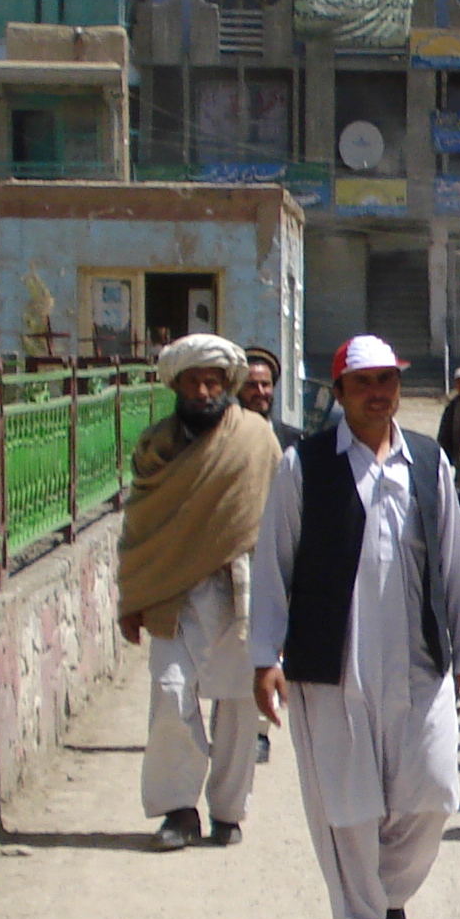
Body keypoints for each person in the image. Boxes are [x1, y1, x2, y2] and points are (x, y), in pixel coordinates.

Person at [248, 335, 460, 919]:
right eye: (364, 383)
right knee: (346, 803)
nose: (379, 393)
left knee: (433, 793)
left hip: (417, 660)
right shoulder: (306, 466)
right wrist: (264, 654)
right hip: (335, 662)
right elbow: (274, 565)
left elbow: (453, 567)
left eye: (387, 380)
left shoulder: (428, 463)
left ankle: (386, 896)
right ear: (341, 392)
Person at [116, 334, 281, 849]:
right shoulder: (156, 448)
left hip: (241, 589)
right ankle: (178, 810)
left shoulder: (256, 439)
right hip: (174, 594)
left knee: (237, 706)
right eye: (195, 381)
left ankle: (228, 811)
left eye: (214, 381)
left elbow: (279, 524)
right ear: (178, 386)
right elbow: (140, 530)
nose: (206, 390)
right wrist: (132, 597)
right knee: (169, 693)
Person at [238, 345, 299, 449]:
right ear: (238, 389)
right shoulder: (225, 438)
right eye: (252, 385)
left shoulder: (294, 440)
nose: (260, 392)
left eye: (265, 384)